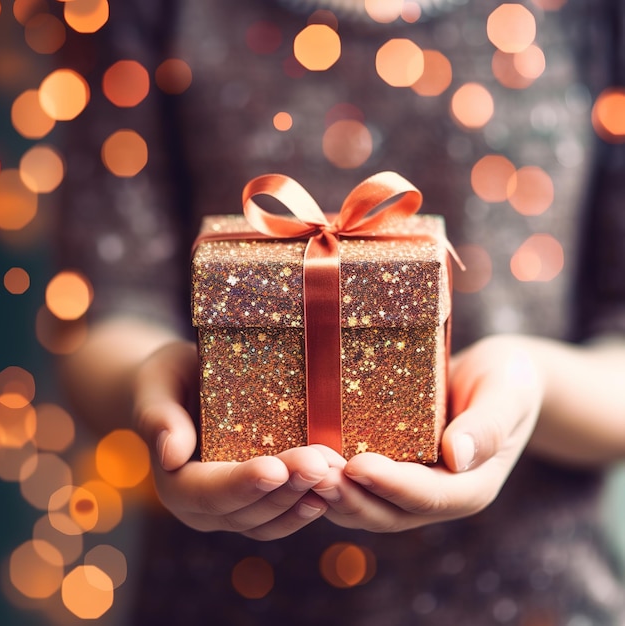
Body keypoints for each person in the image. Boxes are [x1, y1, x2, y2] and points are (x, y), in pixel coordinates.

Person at [55, 0, 625, 624]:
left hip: (534, 599)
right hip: (216, 601)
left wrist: (532, 381)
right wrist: (159, 386)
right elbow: (107, 314)